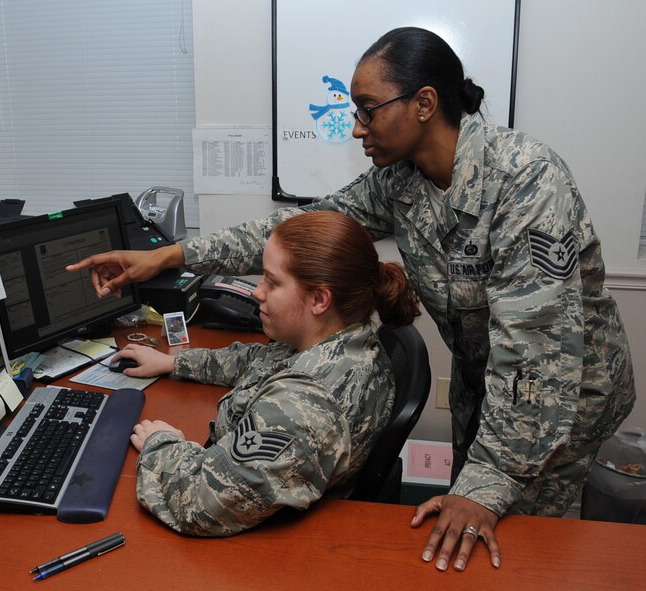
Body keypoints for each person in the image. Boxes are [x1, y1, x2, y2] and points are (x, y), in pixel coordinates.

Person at [68, 27, 635, 570]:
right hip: (486, 385)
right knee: (465, 526)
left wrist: (486, 485)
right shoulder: (401, 181)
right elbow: (298, 231)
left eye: (367, 109)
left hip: (559, 397)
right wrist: (167, 257)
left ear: (424, 103)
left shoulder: (526, 182)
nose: (357, 128)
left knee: (512, 551)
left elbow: (535, 353)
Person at [111, 210, 419, 536]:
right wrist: (174, 362)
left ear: (319, 299)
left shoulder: (302, 406)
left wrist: (161, 444)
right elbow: (260, 360)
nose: (257, 291)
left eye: (272, 281)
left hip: (267, 543)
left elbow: (200, 505)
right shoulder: (339, 336)